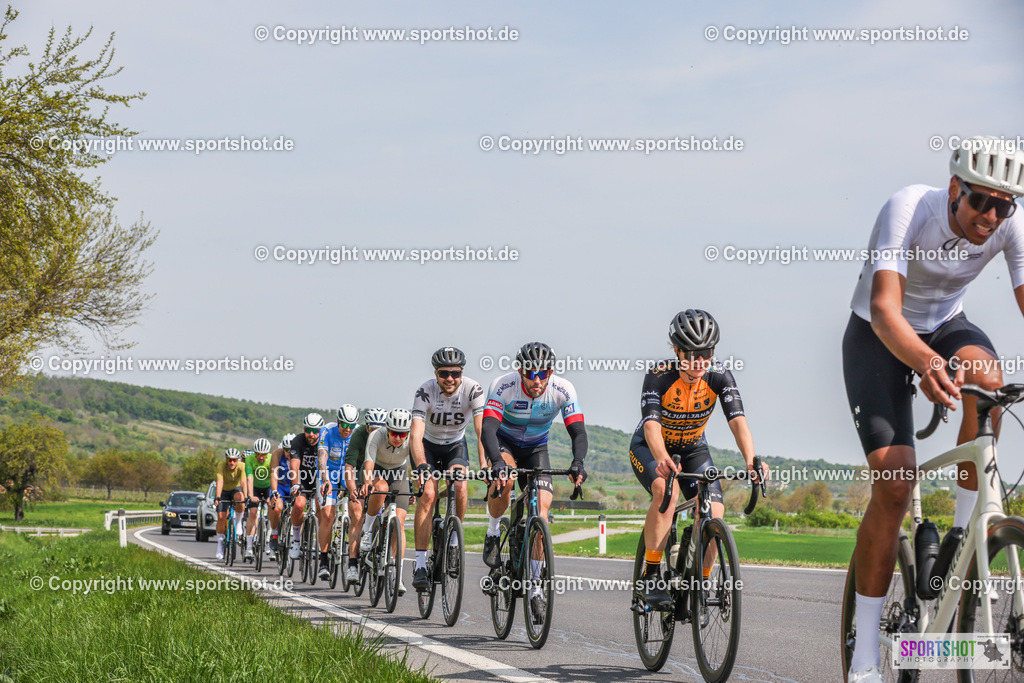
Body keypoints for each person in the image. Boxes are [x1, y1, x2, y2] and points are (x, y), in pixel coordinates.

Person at [842, 137, 1024, 682]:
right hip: (879, 334)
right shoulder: (907, 208)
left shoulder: (1009, 225)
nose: (991, 217)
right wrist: (925, 365)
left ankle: (965, 535)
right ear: (954, 190)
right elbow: (883, 309)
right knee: (895, 485)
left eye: (1004, 206)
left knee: (989, 382)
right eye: (980, 203)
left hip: (946, 326)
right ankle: (867, 650)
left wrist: (939, 359)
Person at [630, 309, 766, 609]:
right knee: (667, 490)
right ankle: (650, 574)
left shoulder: (719, 375)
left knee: (715, 514)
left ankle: (698, 586)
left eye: (706, 353)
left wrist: (751, 460)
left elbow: (738, 420)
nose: (699, 362)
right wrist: (663, 458)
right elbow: (651, 425)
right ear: (677, 351)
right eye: (692, 354)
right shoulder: (658, 375)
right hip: (651, 447)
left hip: (694, 449)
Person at [480, 341, 588, 621]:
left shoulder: (563, 390)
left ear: (551, 372)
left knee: (540, 511)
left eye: (543, 373)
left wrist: (578, 463)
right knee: (504, 483)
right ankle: (493, 531)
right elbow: (488, 429)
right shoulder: (503, 386)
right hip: (505, 443)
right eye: (531, 373)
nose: (537, 380)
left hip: (537, 448)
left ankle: (537, 587)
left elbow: (578, 432)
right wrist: (497, 463)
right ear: (520, 370)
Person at [410, 346, 486, 591]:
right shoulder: (425, 391)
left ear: (462, 373)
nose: (450, 379)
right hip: (428, 447)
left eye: (455, 373)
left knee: (461, 485)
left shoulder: (473, 390)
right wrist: (421, 465)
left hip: (455, 446)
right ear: (436, 373)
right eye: (444, 374)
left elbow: (481, 432)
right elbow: (415, 435)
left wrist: (484, 464)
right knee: (428, 494)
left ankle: (454, 542)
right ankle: (420, 563)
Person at [360, 408, 414, 596]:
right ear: (387, 429)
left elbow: (415, 463)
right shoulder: (376, 435)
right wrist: (367, 483)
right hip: (377, 470)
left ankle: (397, 575)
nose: (398, 438)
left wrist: (414, 488)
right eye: (393, 433)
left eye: (402, 435)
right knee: (381, 488)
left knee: (399, 522)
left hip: (400, 473)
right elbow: (368, 462)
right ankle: (367, 531)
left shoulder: (411, 438)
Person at [343, 407, 387, 583]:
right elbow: (349, 467)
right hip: (361, 473)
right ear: (366, 426)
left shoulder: (388, 435)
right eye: (371, 428)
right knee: (356, 513)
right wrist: (353, 488)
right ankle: (352, 565)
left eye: (379, 429)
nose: (374, 432)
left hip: (381, 475)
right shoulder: (359, 434)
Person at [314, 404, 357, 581]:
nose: (347, 429)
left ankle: (354, 561)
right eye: (344, 425)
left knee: (357, 509)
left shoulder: (357, 433)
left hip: (347, 473)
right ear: (338, 422)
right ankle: (323, 561)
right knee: (328, 515)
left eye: (351, 426)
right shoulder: (327, 431)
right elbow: (322, 456)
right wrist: (325, 479)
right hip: (328, 474)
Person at [287, 413, 325, 560]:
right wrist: (296, 484)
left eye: (316, 431)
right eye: (308, 430)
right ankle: (296, 539)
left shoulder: (324, 441)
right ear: (304, 429)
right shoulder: (298, 440)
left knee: (322, 506)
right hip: (302, 479)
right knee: (299, 504)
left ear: (320, 431)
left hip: (318, 478)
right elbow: (294, 465)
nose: (311, 434)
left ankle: (321, 544)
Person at [244, 438, 274, 561]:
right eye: (258, 454)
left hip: (268, 488)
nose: (261, 457)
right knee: (252, 513)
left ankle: (270, 542)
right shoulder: (249, 459)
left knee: (273, 512)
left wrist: (271, 495)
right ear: (254, 453)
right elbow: (249, 478)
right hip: (255, 488)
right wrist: (251, 496)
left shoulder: (272, 458)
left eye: (264, 455)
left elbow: (274, 477)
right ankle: (249, 547)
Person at [214, 448, 248, 561]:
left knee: (240, 497)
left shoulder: (242, 466)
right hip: (224, 491)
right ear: (226, 460)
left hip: (235, 489)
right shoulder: (221, 466)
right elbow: (219, 482)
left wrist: (246, 496)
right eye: (229, 460)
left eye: (234, 460)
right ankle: (220, 545)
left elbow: (243, 482)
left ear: (237, 460)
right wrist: (218, 496)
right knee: (221, 517)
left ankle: (238, 522)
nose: (232, 462)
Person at [268, 432, 296, 554]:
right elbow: (274, 474)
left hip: (293, 486)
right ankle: (274, 533)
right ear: (282, 448)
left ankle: (296, 539)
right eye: (286, 449)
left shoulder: (299, 455)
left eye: (291, 450)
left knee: (297, 510)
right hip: (280, 485)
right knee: (277, 507)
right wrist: (274, 491)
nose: (289, 452)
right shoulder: (277, 454)